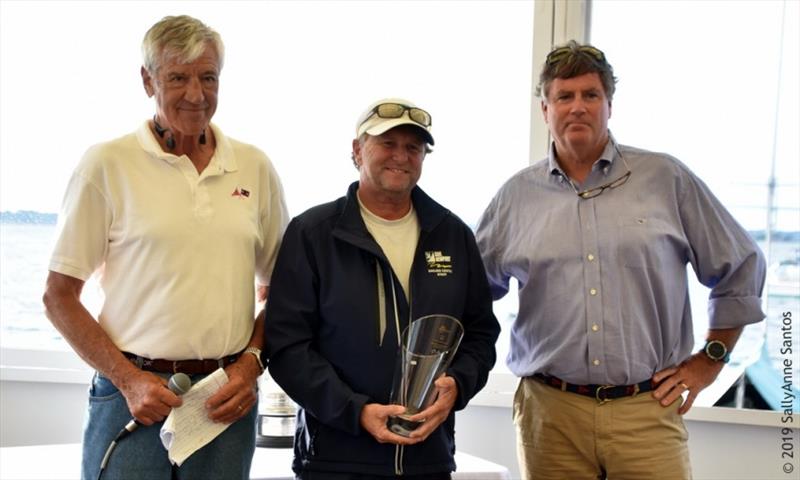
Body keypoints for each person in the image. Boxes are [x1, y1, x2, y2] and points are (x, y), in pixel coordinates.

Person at [475, 40, 766, 480]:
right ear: (545, 109)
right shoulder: (516, 197)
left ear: (609, 105)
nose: (577, 107)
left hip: (646, 413)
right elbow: (470, 292)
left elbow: (741, 265)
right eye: (564, 96)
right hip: (549, 418)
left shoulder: (665, 178)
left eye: (590, 95)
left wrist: (711, 357)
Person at [42, 15, 289, 480]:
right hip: (133, 393)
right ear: (147, 79)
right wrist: (127, 379)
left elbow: (284, 290)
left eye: (208, 77)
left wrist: (251, 365)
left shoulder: (254, 167)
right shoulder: (106, 165)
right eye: (178, 77)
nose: (196, 94)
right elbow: (58, 296)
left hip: (224, 398)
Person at [264, 98, 500, 479]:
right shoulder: (313, 234)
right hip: (335, 459)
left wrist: (458, 385)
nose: (401, 156)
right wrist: (355, 410)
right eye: (387, 144)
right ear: (357, 151)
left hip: (428, 456)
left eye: (413, 147)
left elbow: (481, 333)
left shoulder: (452, 235)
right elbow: (287, 347)